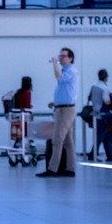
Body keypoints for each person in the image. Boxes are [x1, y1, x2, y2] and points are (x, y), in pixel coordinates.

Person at [37, 47, 80, 179]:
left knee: (57, 139)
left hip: (66, 110)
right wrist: (56, 102)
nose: (61, 58)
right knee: (68, 141)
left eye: (63, 56)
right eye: (60, 56)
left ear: (70, 58)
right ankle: (70, 169)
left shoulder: (71, 70)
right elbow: (67, 92)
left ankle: (52, 169)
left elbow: (59, 78)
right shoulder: (67, 71)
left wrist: (54, 64)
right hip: (62, 107)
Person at [87, 69, 112, 162]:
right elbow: (107, 101)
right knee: (100, 136)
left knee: (106, 135)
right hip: (103, 115)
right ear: (106, 77)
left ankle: (110, 155)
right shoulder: (104, 88)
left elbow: (89, 98)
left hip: (95, 113)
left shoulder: (93, 86)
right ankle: (93, 154)